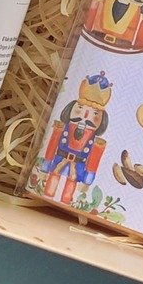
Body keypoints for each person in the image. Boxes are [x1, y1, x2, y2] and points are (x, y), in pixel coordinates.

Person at [42, 72, 113, 204]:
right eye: (80, 108)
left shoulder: (97, 142)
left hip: (79, 164)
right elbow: (52, 144)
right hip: (60, 157)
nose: (85, 115)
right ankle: (47, 196)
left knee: (71, 184)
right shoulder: (61, 127)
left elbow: (94, 158)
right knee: (52, 179)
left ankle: (65, 202)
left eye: (94, 113)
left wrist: (88, 179)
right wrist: (45, 166)